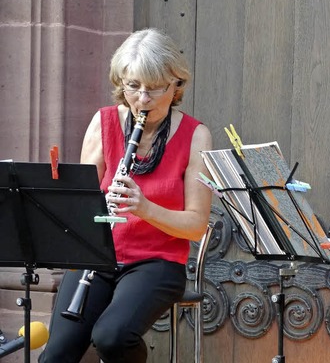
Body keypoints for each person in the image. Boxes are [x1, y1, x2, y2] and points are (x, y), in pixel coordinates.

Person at [39, 28, 213, 362]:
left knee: (112, 337)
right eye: (133, 86)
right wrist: (93, 208)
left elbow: (195, 226)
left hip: (157, 262)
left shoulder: (196, 135)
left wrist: (144, 207)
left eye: (154, 88)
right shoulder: (103, 123)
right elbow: (77, 207)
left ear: (176, 85)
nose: (142, 99)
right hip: (97, 257)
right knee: (56, 354)